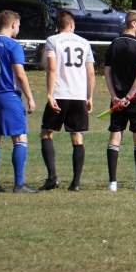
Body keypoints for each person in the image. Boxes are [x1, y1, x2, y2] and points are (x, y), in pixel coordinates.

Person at [0, 9, 38, 193]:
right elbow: (19, 74)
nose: (18, 29)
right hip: (9, 96)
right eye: (18, 26)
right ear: (13, 24)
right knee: (20, 138)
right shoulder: (13, 45)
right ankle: (19, 183)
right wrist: (30, 97)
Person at [39, 11, 95, 191]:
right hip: (78, 95)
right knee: (77, 138)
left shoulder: (52, 41)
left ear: (58, 25)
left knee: (46, 133)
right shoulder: (84, 43)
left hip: (60, 93)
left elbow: (52, 68)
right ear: (72, 24)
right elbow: (91, 73)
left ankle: (52, 178)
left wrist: (49, 94)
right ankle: (76, 183)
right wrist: (89, 96)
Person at [103, 10, 136, 192]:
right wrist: (128, 97)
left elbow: (107, 73)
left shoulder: (113, 45)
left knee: (115, 136)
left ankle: (112, 183)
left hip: (117, 99)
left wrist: (115, 96)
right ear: (133, 24)